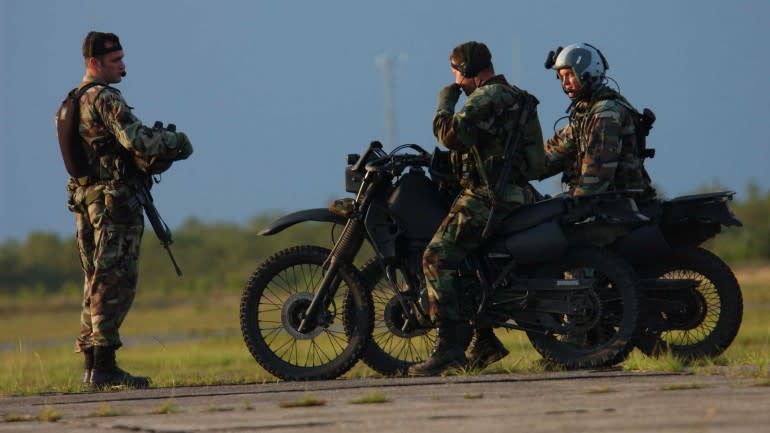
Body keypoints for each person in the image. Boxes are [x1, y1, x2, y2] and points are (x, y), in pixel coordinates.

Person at [60, 32, 193, 388]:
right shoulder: (103, 98)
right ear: (94, 63)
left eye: (121, 58)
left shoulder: (72, 100)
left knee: (95, 278)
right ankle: (104, 366)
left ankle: (94, 366)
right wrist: (178, 143)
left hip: (85, 199)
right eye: (115, 61)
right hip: (111, 201)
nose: (123, 66)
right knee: (116, 278)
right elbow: (138, 140)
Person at [409, 41, 545, 376]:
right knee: (470, 265)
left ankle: (448, 350)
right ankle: (483, 339)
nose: (455, 78)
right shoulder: (516, 96)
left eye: (456, 71)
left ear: (467, 70)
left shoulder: (486, 98)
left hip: (489, 197)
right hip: (517, 193)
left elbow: (450, 134)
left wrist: (446, 102)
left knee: (436, 257)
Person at [541, 43, 655, 197]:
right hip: (603, 204)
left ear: (588, 73)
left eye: (570, 75)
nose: (565, 82)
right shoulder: (585, 113)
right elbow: (550, 154)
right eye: (561, 77)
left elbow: (596, 177)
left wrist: (571, 204)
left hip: (619, 207)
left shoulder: (606, 113)